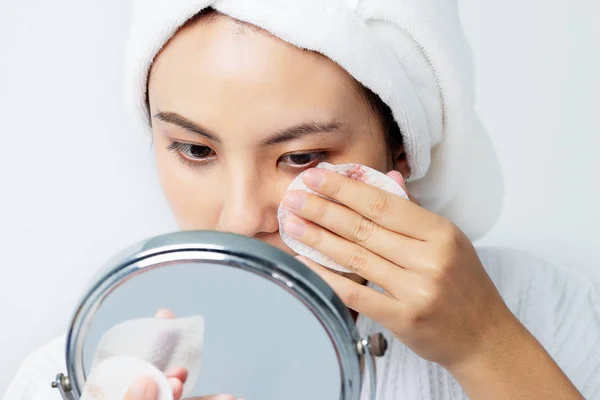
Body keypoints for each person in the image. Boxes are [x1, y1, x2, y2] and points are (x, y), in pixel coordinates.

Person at [4, 1, 600, 399]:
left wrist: (485, 347)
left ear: (401, 155)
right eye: (193, 149)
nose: (240, 218)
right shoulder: (72, 376)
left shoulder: (551, 316)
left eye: (300, 157)